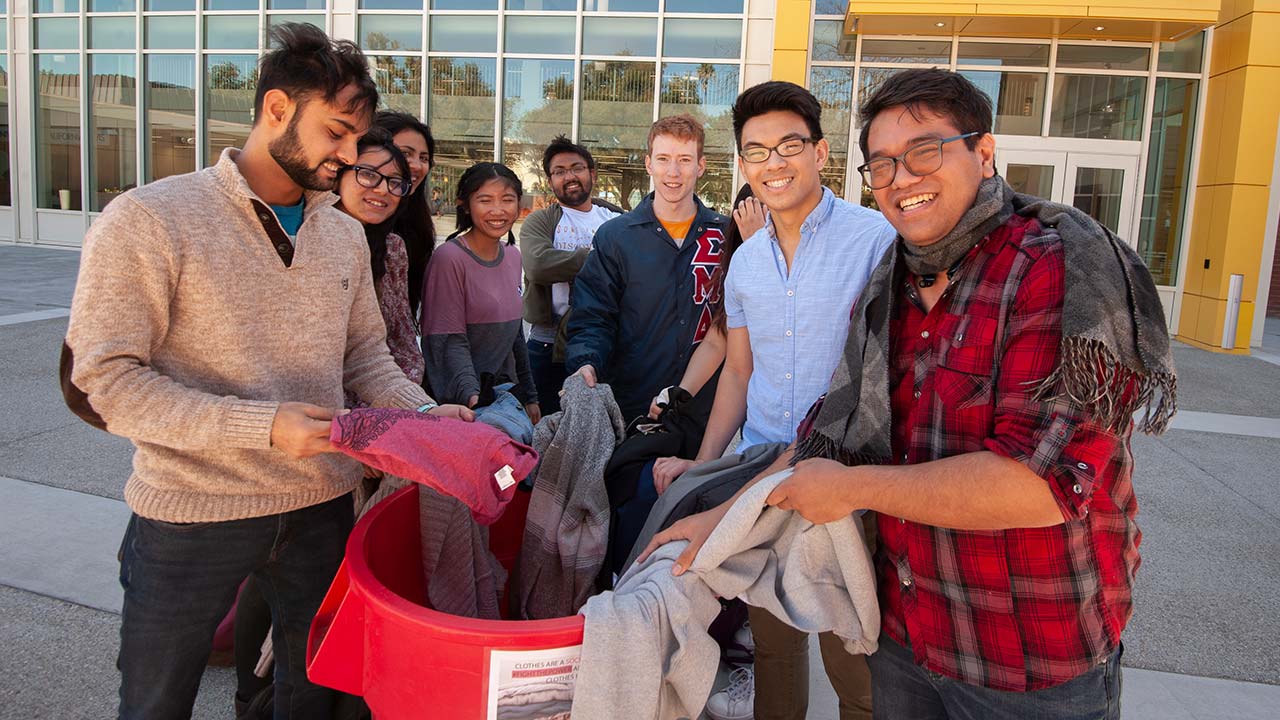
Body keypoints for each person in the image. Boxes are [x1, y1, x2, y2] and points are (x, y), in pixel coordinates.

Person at [645, 68, 1176, 720]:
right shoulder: (889, 277)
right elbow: (828, 425)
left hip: (1028, 652)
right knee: (784, 662)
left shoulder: (1058, 265)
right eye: (885, 164)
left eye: (925, 151)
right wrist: (717, 515)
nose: (902, 178)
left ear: (983, 154)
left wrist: (852, 490)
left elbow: (1043, 484)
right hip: (909, 634)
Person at [60, 23, 471, 720]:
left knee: (311, 692)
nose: (350, 155)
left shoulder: (341, 231)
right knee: (156, 700)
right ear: (276, 109)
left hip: (321, 506)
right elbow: (106, 380)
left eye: (357, 137)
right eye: (337, 133)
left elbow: (366, 355)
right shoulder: (150, 218)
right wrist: (263, 427)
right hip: (192, 509)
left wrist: (427, 419)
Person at [652, 80, 897, 720]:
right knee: (774, 653)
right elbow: (738, 372)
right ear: (742, 164)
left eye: (790, 144)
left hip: (841, 477)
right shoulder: (747, 262)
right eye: (756, 151)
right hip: (762, 476)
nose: (773, 162)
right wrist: (705, 468)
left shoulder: (874, 241)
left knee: (856, 658)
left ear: (820, 153)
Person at [565, 114, 729, 422]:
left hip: (704, 406)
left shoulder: (726, 235)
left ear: (701, 166)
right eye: (664, 159)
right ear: (648, 163)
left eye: (684, 159)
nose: (674, 172)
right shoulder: (617, 236)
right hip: (632, 404)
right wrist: (586, 362)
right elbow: (593, 315)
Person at [422, 162, 541, 436]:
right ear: (465, 204)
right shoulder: (449, 259)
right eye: (485, 200)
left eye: (507, 200)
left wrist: (530, 395)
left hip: (500, 398)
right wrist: (472, 399)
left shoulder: (513, 255)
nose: (498, 210)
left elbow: (515, 337)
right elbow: (449, 341)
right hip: (462, 408)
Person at [519, 135, 623, 415]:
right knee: (544, 431)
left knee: (600, 430)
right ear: (550, 181)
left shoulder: (615, 219)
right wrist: (598, 258)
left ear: (592, 173)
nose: (569, 176)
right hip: (547, 345)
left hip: (604, 343)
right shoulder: (540, 221)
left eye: (576, 168)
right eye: (559, 172)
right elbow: (538, 266)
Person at [372, 111, 437, 326]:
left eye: (424, 158)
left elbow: (403, 326)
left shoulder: (414, 228)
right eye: (405, 153)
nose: (416, 165)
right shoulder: (340, 224)